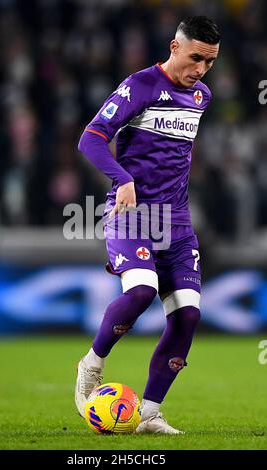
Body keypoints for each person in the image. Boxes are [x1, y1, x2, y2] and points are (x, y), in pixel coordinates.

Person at [76, 16, 220, 434]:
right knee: (141, 290)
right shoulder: (140, 85)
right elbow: (91, 137)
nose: (201, 70)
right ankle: (92, 363)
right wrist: (122, 179)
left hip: (177, 222)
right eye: (196, 58)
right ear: (174, 47)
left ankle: (151, 413)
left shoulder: (201, 96)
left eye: (210, 62)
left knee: (188, 316)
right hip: (134, 216)